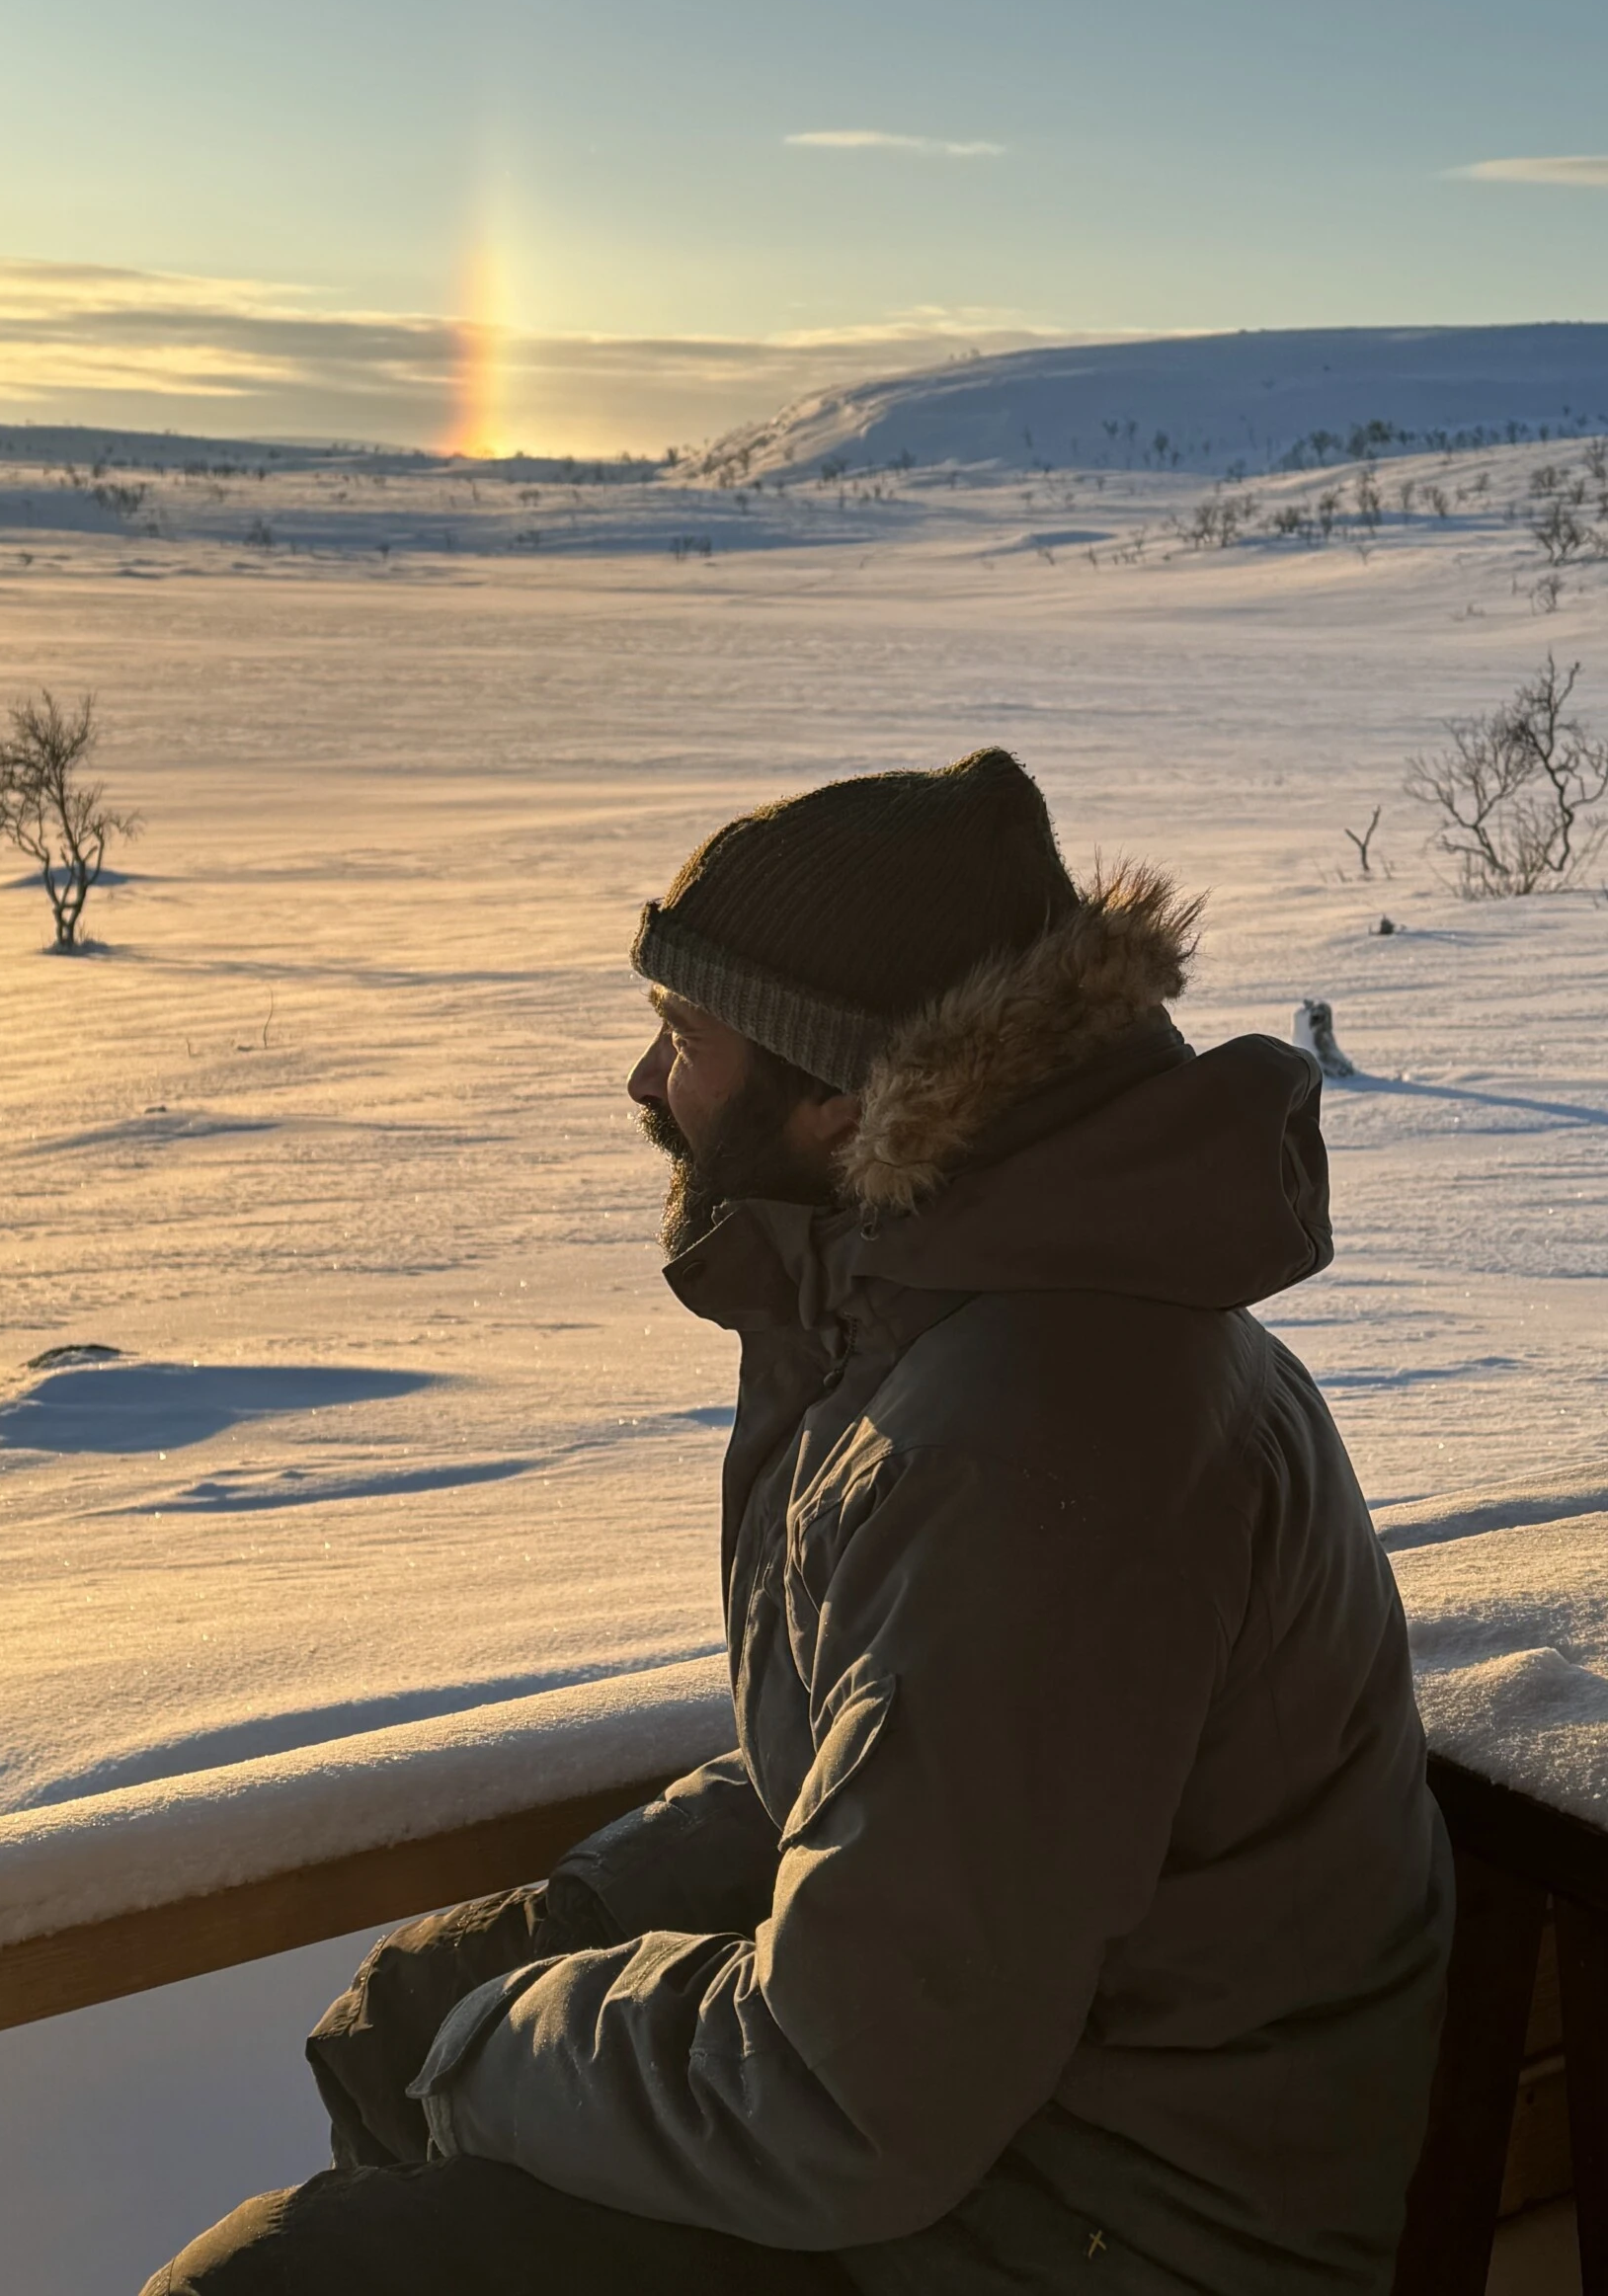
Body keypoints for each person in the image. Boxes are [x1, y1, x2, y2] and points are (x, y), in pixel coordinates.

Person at [142, 749, 1451, 2295]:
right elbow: (904, 1760)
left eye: (683, 1035)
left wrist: (489, 2050)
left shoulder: (1031, 1431)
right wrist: (580, 1916)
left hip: (1100, 2234)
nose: (645, 1087)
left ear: (843, 1091)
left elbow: (847, 2100)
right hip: (1035, 2153)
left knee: (288, 2282)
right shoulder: (969, 1322)